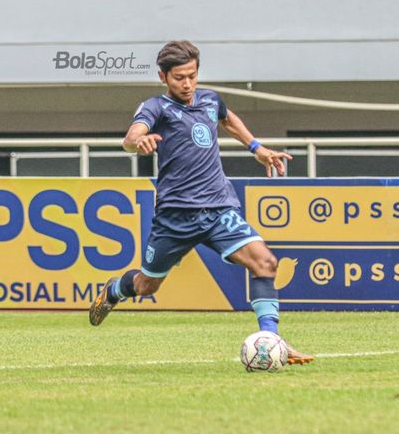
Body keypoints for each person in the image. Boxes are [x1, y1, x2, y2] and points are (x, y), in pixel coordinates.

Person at [89, 40, 313, 365]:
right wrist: (139, 141)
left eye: (192, 75)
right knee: (148, 285)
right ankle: (114, 291)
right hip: (174, 218)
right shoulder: (156, 107)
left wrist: (257, 148)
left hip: (219, 209)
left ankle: (272, 338)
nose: (187, 83)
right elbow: (130, 137)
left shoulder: (210, 100)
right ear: (163, 77)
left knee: (265, 263)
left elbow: (227, 118)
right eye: (179, 77)